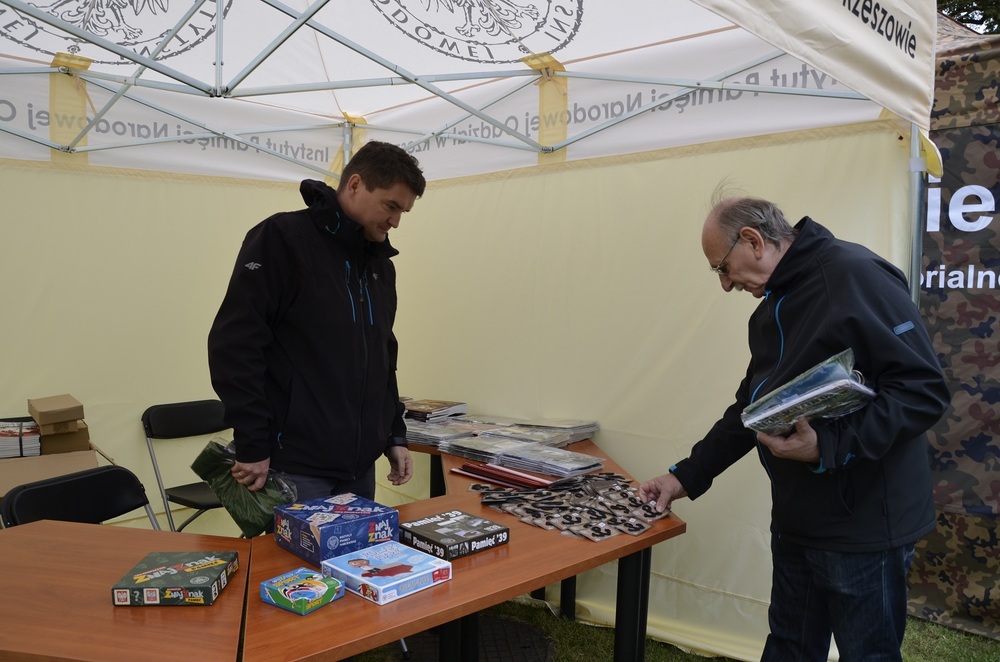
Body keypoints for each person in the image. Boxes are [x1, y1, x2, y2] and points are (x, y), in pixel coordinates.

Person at [639, 192, 949, 662]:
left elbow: (923, 390)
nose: (724, 285)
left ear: (753, 240)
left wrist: (828, 444)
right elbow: (751, 408)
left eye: (721, 268)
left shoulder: (855, 275)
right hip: (797, 520)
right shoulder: (770, 309)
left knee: (868, 654)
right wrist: (684, 476)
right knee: (788, 647)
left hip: (862, 525)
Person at [208, 140, 426, 506]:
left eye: (403, 211)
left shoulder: (379, 267)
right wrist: (252, 442)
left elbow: (383, 356)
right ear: (355, 185)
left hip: (359, 469)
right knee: (298, 565)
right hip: (294, 466)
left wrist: (394, 436)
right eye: (390, 206)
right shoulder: (282, 239)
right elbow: (235, 345)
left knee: (360, 564)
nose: (396, 222)